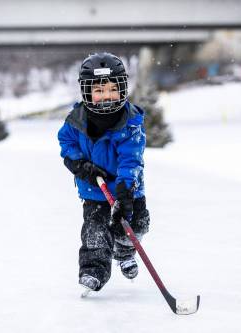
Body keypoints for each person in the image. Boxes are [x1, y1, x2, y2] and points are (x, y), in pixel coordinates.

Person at [57, 52, 150, 292]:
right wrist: (80, 165)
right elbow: (66, 144)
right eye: (98, 91)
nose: (106, 96)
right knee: (95, 231)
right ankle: (93, 271)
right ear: (87, 92)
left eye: (111, 89)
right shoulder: (76, 120)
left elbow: (131, 159)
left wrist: (125, 191)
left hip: (127, 189)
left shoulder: (131, 123)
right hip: (95, 190)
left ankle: (125, 250)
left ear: (122, 88)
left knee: (134, 225)